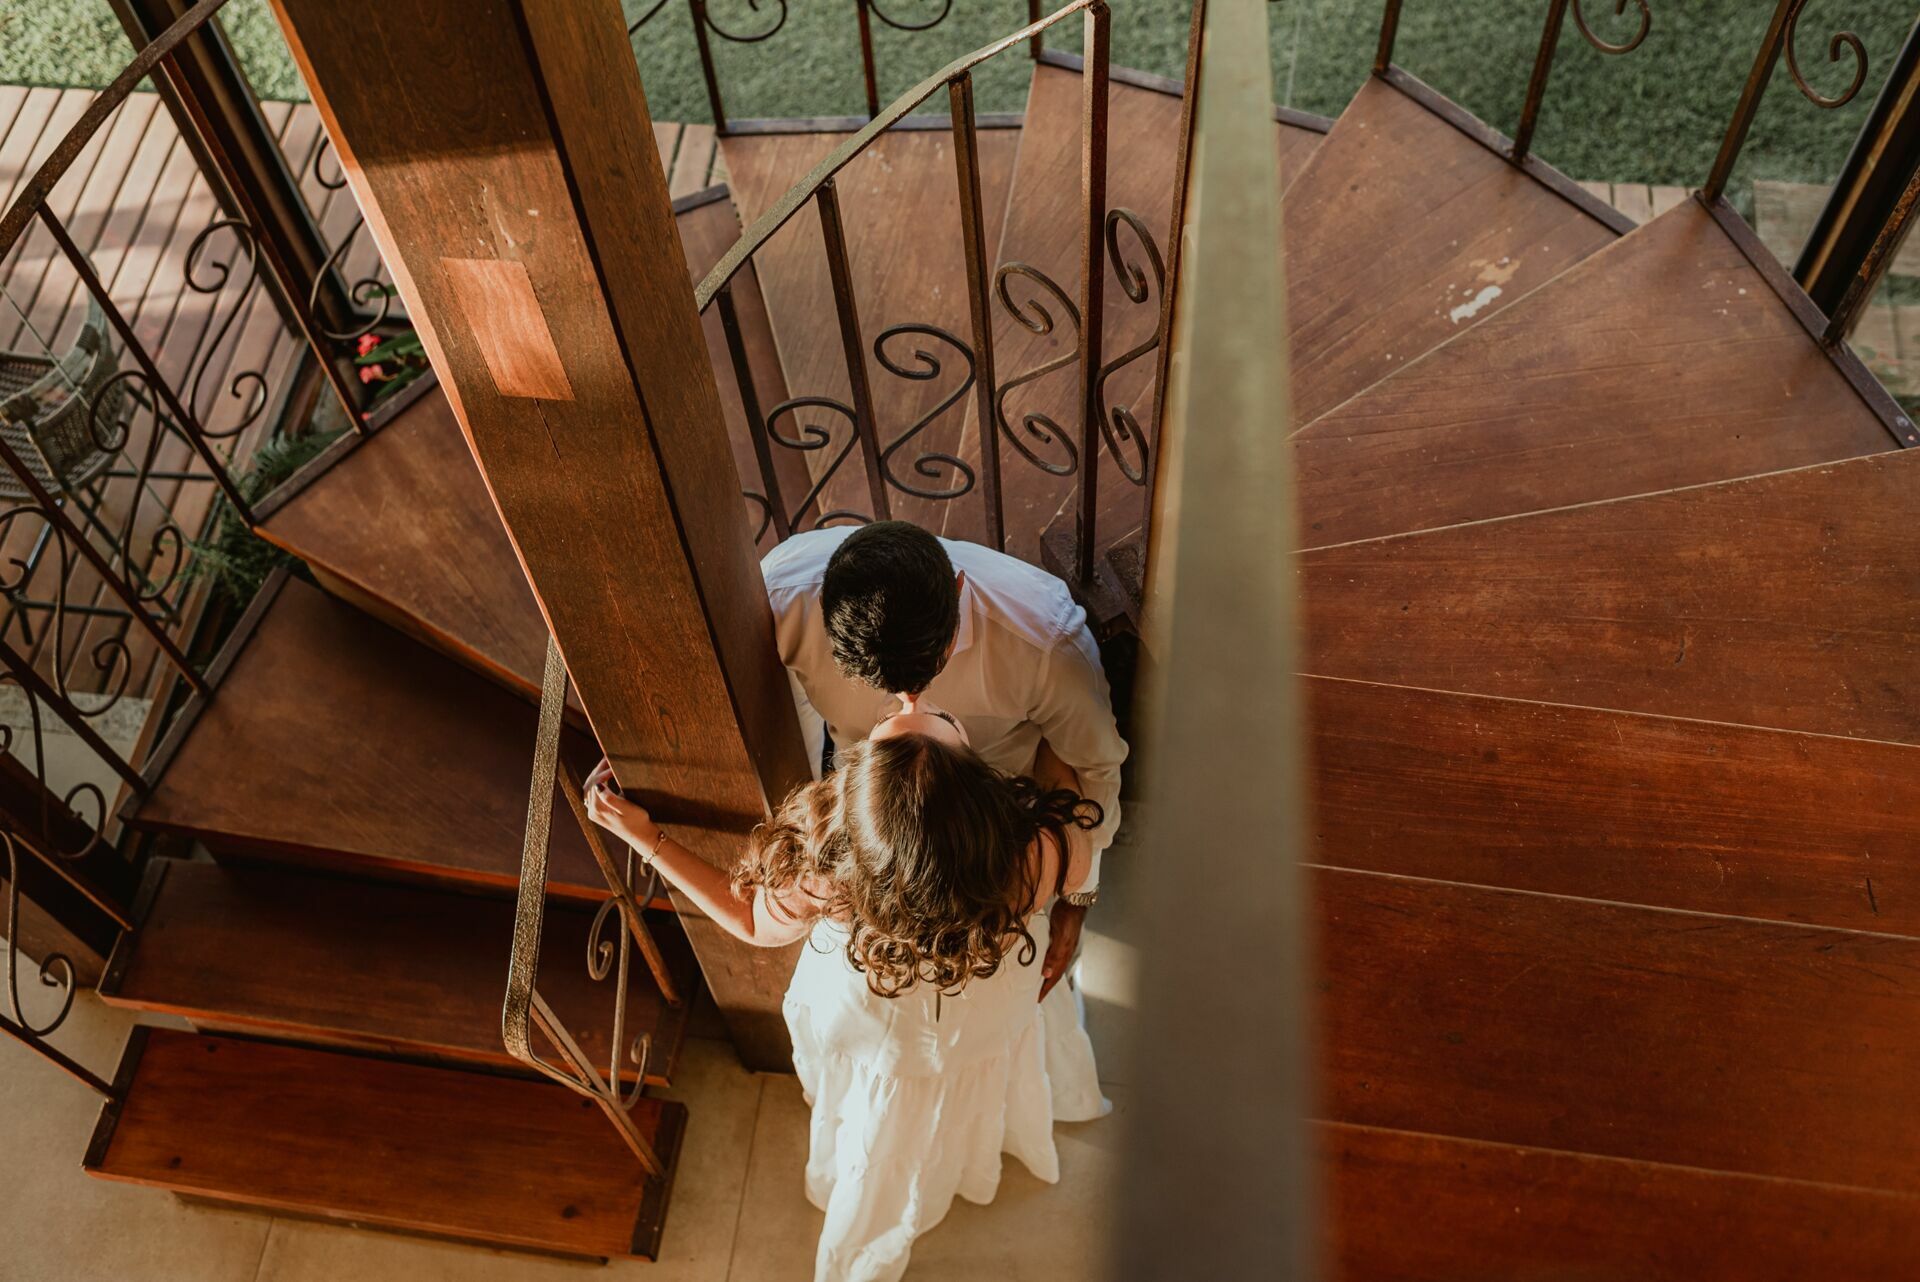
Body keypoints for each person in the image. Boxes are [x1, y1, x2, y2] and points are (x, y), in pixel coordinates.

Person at [584, 698, 1106, 1282]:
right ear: (979, 790)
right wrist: (1059, 738)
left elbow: (752, 921)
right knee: (968, 1087)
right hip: (982, 1007)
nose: (912, 698)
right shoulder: (1038, 853)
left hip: (880, 1022)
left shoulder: (831, 865)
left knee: (882, 1118)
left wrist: (648, 839)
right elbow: (1079, 836)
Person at [761, 520, 1127, 1000]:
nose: (909, 702)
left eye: (923, 679)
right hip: (877, 851)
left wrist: (1076, 893)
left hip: (990, 849)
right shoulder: (779, 598)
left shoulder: (1046, 642)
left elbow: (1095, 766)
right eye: (881, 684)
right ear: (823, 612)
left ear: (959, 594)